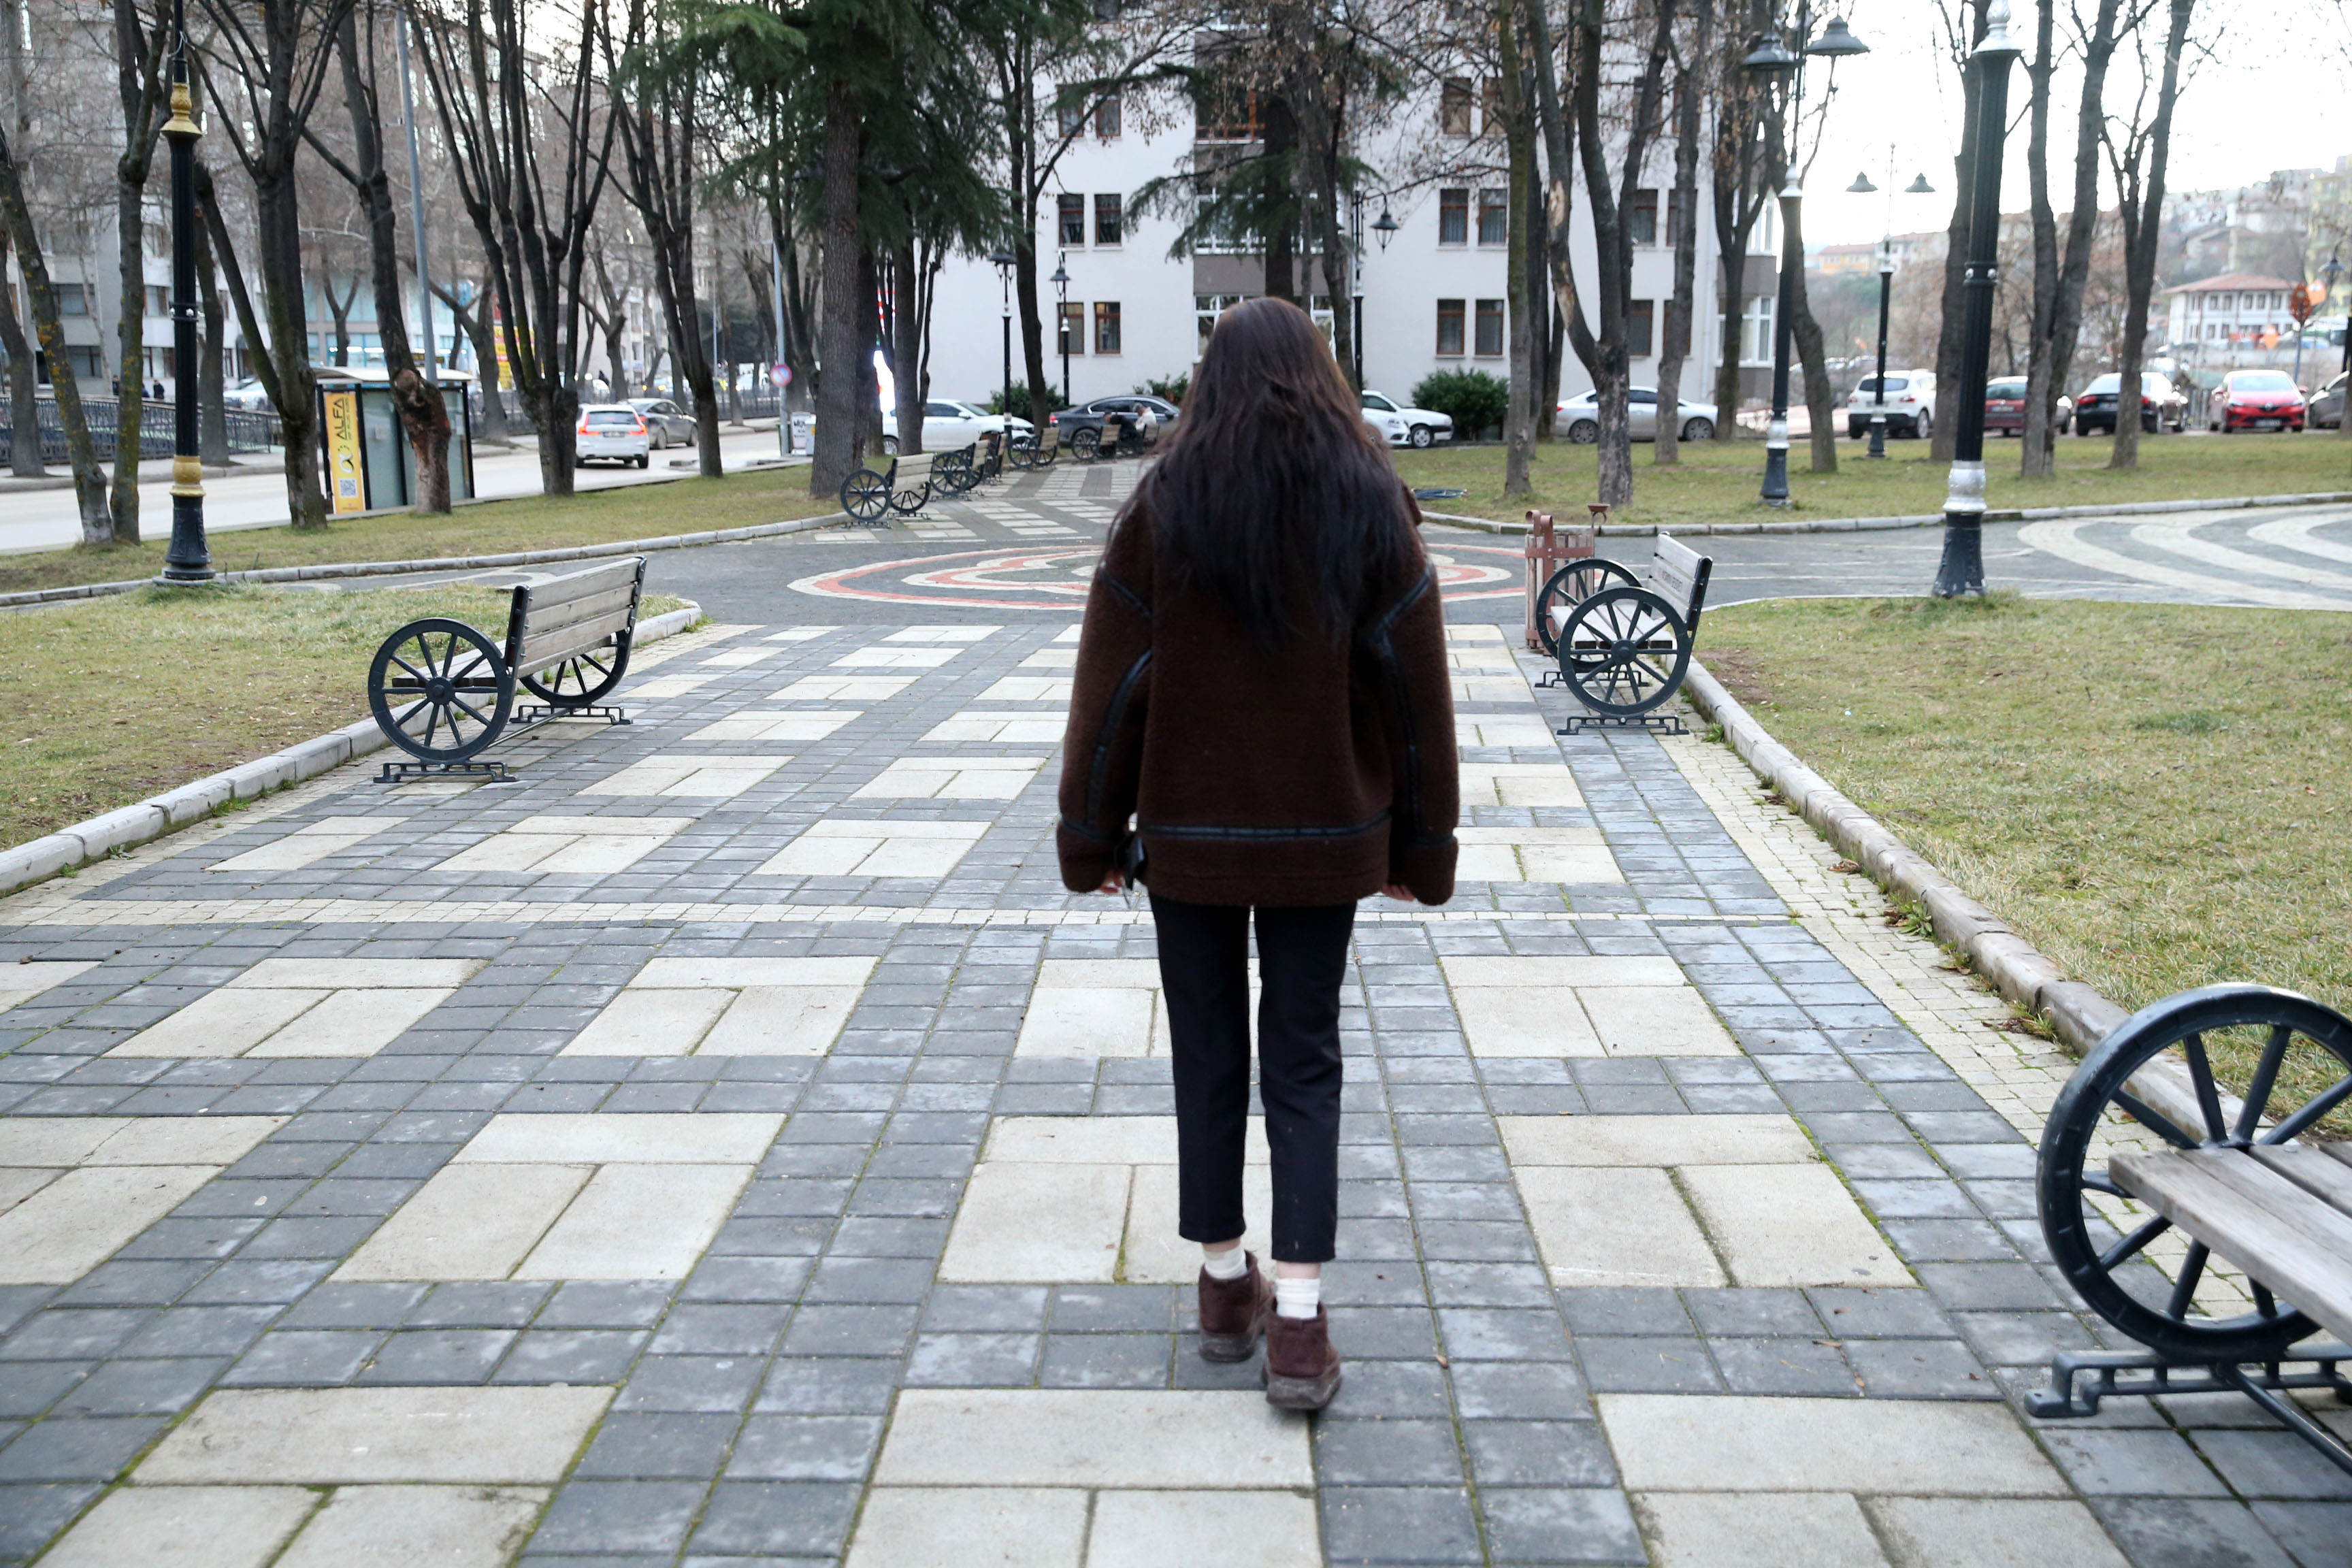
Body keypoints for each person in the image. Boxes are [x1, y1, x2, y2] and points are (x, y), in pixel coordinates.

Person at [1057, 297, 1458, 1411]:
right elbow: (1415, 697)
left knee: (1207, 1056)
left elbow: (1112, 689)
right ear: (1322, 374)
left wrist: (1091, 835)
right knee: (1305, 1060)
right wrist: (1418, 847)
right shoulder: (1373, 501)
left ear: (1210, 379)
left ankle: (1223, 1283)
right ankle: (1299, 1318)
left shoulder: (1163, 504)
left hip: (1186, 843)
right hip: (1326, 843)